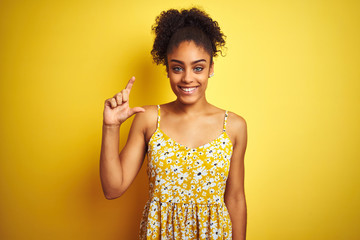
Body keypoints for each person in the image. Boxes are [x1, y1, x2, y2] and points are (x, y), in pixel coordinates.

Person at [100, 7, 247, 240]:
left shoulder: (234, 126)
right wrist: (110, 127)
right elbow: (112, 189)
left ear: (211, 68)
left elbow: (236, 198)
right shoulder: (149, 119)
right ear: (167, 69)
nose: (187, 78)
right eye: (177, 68)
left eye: (198, 67)